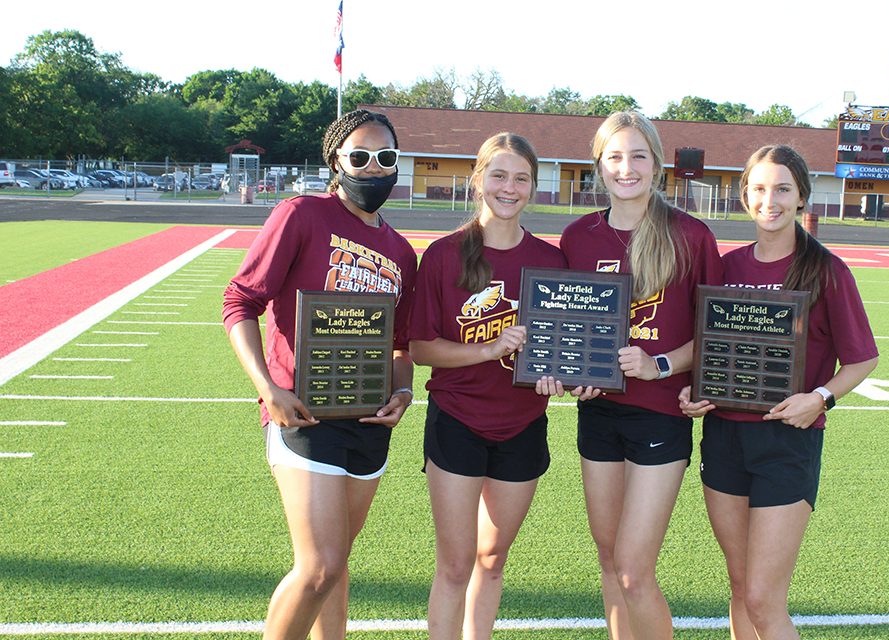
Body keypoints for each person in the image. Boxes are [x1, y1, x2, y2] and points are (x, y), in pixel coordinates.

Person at [222, 109, 417, 640]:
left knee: (338, 562)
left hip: (369, 418)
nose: (374, 168)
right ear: (336, 160)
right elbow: (240, 301)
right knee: (319, 567)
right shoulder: (301, 214)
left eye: (386, 158)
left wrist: (402, 391)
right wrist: (269, 389)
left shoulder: (400, 251)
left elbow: (401, 344)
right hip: (304, 413)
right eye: (360, 156)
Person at [679, 144, 879, 640]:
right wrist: (692, 392)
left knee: (766, 599)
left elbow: (863, 358)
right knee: (741, 584)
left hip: (787, 443)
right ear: (745, 196)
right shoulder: (725, 268)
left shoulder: (826, 271)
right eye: (761, 189)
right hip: (724, 437)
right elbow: (705, 347)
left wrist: (820, 398)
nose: (771, 200)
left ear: (802, 198)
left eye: (783, 189)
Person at [542, 111, 724, 640]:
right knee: (608, 562)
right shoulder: (578, 236)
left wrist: (659, 363)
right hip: (598, 412)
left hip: (660, 415)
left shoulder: (690, 235)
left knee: (634, 569)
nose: (627, 168)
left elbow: (713, 334)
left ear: (657, 163)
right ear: (599, 165)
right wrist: (571, 371)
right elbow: (569, 325)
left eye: (638, 155)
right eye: (615, 157)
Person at [409, 132, 567, 640]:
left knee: (493, 558)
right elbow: (421, 349)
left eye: (521, 178)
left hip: (522, 423)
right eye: (498, 175)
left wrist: (560, 374)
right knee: (455, 564)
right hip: (458, 420)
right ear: (478, 180)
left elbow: (563, 347)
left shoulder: (552, 261)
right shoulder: (442, 255)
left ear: (533, 188)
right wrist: (489, 349)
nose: (509, 186)